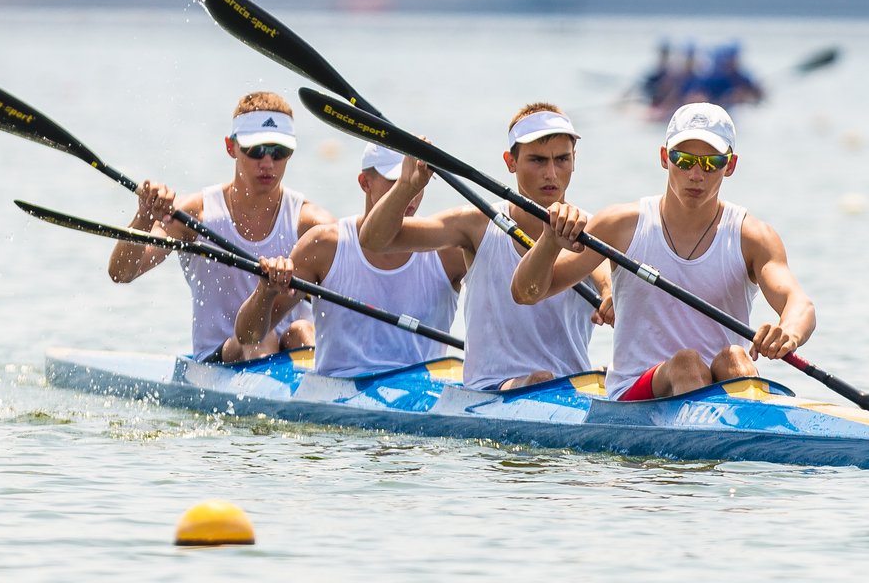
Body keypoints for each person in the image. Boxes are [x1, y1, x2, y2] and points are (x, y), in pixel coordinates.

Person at [510, 102, 815, 401]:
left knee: (735, 357)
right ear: (665, 158)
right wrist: (550, 240)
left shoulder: (753, 237)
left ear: (731, 165)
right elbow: (527, 293)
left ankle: (739, 423)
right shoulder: (620, 225)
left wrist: (788, 332)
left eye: (711, 163)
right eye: (684, 160)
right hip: (634, 393)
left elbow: (799, 303)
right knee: (687, 364)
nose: (696, 174)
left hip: (719, 381)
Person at [358, 103, 614, 391]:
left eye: (562, 159)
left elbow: (605, 276)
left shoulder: (590, 230)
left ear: (574, 159)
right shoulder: (477, 224)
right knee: (541, 380)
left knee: (550, 380)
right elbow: (375, 241)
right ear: (510, 162)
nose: (551, 173)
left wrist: (610, 296)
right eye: (538, 160)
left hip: (570, 388)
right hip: (488, 389)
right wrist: (407, 186)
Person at [107, 92, 334, 364]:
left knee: (303, 331)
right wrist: (144, 216)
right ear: (231, 147)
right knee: (261, 338)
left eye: (279, 151)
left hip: (291, 352)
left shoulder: (311, 224)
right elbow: (122, 273)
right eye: (256, 150)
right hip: (219, 359)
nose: (268, 163)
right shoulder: (196, 215)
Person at [237, 143, 467, 377]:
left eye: (415, 181)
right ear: (364, 182)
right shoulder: (324, 246)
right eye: (396, 182)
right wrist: (265, 291)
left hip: (423, 392)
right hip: (339, 388)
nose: (409, 193)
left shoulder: (449, 252)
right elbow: (248, 336)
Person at [703, 41, 764, 106]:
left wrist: (753, 92)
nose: (733, 61)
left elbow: (757, 95)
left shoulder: (742, 76)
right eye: (730, 58)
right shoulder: (713, 79)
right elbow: (707, 98)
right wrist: (730, 99)